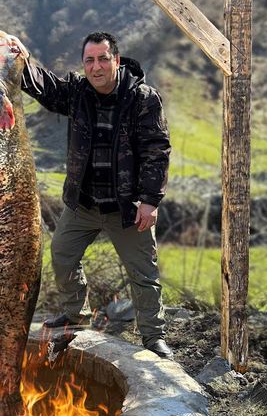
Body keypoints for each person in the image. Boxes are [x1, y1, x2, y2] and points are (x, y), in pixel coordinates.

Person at [21, 32, 173, 359]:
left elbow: (156, 151)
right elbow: (45, 88)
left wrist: (150, 200)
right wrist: (16, 59)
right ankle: (77, 315)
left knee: (143, 275)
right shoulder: (78, 92)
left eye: (103, 59)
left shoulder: (143, 98)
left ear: (117, 61)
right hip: (85, 203)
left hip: (127, 208)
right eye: (89, 60)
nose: (96, 67)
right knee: (62, 254)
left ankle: (153, 338)